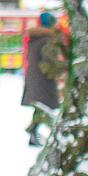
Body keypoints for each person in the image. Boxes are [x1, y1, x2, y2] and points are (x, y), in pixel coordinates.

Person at [21, 11, 63, 145]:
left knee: (40, 106)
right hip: (43, 78)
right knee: (46, 107)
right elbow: (48, 61)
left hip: (34, 76)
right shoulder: (48, 39)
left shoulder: (35, 37)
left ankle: (33, 131)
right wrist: (61, 69)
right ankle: (45, 133)